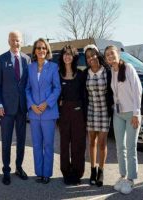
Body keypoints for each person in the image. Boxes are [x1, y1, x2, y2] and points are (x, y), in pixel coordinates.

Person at [0, 31, 31, 185]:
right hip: (6, 109)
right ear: (8, 41)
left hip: (22, 108)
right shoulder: (1, 59)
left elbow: (28, 84)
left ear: (21, 42)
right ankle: (6, 170)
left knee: (21, 140)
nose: (16, 43)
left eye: (18, 40)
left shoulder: (27, 59)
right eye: (13, 40)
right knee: (7, 141)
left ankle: (19, 167)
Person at [104, 45, 142, 194]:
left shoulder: (128, 68)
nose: (110, 57)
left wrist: (136, 113)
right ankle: (123, 176)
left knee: (131, 148)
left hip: (131, 113)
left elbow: (138, 90)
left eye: (112, 54)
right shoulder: (111, 72)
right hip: (118, 114)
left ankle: (131, 180)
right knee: (120, 147)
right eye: (107, 55)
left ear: (118, 54)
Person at [26, 38, 61, 184]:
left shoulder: (53, 67)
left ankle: (47, 173)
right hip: (34, 113)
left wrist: (47, 103)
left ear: (47, 51)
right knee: (36, 144)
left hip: (48, 112)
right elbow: (27, 88)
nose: (41, 51)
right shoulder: (30, 67)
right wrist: (31, 104)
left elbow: (57, 88)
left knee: (48, 144)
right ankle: (38, 173)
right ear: (35, 51)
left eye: (44, 48)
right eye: (38, 48)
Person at [83, 44, 113, 187]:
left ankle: (101, 171)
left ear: (97, 54)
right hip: (90, 111)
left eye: (93, 55)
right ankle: (93, 170)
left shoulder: (107, 71)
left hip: (104, 112)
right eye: (88, 57)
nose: (91, 58)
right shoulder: (85, 73)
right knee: (91, 142)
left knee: (102, 143)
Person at [58, 45, 86, 185]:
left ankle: (77, 172)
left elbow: (84, 95)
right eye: (65, 54)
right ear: (62, 57)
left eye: (70, 54)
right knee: (64, 143)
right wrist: (59, 102)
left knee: (78, 144)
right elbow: (55, 93)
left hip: (78, 111)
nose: (67, 56)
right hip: (63, 113)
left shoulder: (80, 75)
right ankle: (66, 171)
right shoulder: (57, 74)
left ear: (74, 57)